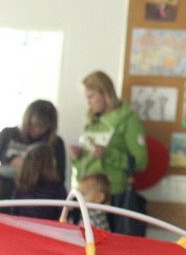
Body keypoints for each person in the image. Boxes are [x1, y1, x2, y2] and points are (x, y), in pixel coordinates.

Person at [69, 70, 148, 232]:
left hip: (111, 197)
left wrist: (108, 154)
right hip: (85, 195)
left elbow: (141, 162)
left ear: (105, 93)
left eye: (91, 97)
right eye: (86, 98)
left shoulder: (128, 120)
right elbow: (88, 160)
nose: (88, 102)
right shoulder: (92, 121)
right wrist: (77, 157)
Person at [0, 100, 65, 205]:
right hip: (5, 196)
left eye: (43, 127)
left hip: (38, 203)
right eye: (33, 125)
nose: (37, 130)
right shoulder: (8, 134)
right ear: (27, 120)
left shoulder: (56, 143)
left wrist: (29, 166)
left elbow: (59, 177)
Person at [10, 143, 67, 220]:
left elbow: (14, 215)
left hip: (23, 227)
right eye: (53, 158)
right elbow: (65, 215)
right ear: (49, 164)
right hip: (49, 227)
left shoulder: (20, 189)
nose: (55, 161)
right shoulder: (57, 188)